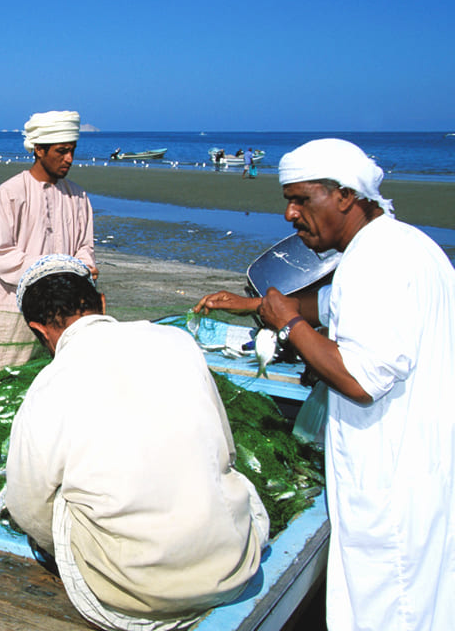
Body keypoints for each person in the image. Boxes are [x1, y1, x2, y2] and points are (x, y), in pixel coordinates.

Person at [194, 138, 455, 630]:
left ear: (344, 196)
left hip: (391, 480)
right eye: (286, 202)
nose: (290, 215)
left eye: (301, 200)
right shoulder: (405, 245)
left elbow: (359, 379)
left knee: (390, 607)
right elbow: (331, 303)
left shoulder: (377, 263)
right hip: (427, 466)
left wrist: (290, 326)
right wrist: (253, 305)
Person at [7, 254, 268, 631]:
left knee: (56, 492)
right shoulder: (177, 342)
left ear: (39, 329)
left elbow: (25, 505)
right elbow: (224, 450)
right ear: (102, 303)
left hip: (131, 595)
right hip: (230, 568)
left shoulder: (49, 384)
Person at [0, 111, 97, 383]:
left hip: (58, 311)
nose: (69, 159)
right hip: (6, 305)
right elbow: (2, 254)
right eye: (62, 151)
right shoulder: (11, 192)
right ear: (39, 150)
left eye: (72, 151)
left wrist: (83, 267)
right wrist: (57, 270)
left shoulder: (78, 197)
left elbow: (84, 247)